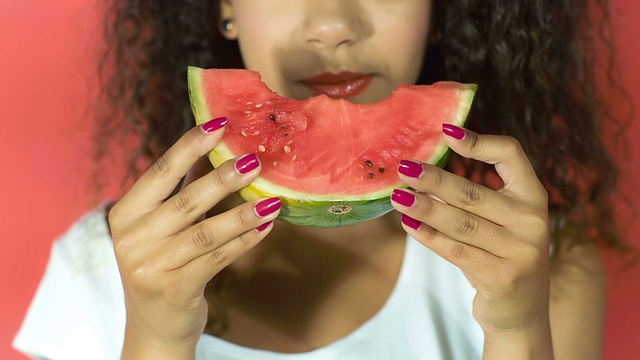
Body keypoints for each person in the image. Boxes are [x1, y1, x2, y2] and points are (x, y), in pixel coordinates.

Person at [13, 0, 632, 359]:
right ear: (226, 5)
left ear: (438, 10)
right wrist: (153, 338)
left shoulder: (535, 265)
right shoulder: (104, 267)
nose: (334, 23)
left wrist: (518, 331)